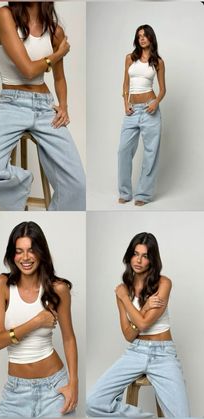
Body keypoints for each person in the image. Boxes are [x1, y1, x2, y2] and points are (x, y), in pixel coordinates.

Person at [0, 2, 86, 211]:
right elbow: (28, 70)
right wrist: (58, 54)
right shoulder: (5, 16)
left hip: (44, 107)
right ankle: (24, 183)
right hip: (11, 104)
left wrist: (64, 106)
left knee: (77, 185)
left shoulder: (54, 30)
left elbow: (59, 78)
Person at [87, 232, 190, 418]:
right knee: (93, 403)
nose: (139, 260)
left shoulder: (163, 283)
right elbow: (128, 335)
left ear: (152, 260)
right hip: (135, 351)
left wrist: (126, 299)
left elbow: (143, 324)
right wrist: (141, 306)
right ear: (129, 256)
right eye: (135, 254)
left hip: (163, 354)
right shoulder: (122, 289)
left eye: (145, 256)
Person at [0, 221, 78, 417]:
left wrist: (73, 384)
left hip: (54, 388)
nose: (25, 257)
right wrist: (36, 322)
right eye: (19, 251)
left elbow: (69, 338)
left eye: (31, 250)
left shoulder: (58, 289)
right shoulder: (0, 285)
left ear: (41, 252)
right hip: (15, 393)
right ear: (12, 254)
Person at [118, 25, 166, 206]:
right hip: (132, 110)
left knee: (150, 154)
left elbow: (163, 89)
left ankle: (143, 195)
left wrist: (156, 102)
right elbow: (125, 84)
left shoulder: (158, 62)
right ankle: (125, 192)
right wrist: (126, 104)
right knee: (123, 151)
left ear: (151, 38)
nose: (142, 39)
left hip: (150, 109)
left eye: (145, 36)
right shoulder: (130, 58)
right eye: (139, 36)